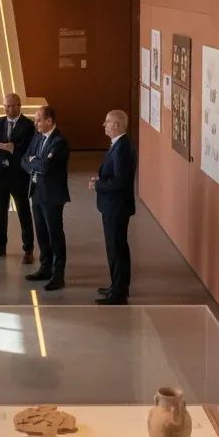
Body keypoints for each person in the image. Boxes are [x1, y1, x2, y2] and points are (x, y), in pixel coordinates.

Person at [89, 110, 137, 305]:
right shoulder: (118, 145)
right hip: (112, 206)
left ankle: (118, 292)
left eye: (108, 122)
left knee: (117, 248)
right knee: (114, 247)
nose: (104, 124)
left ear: (117, 125)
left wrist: (98, 185)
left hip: (116, 207)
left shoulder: (123, 148)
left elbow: (121, 181)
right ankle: (116, 285)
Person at [0, 92, 36, 264]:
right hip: (0, 175)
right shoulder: (0, 122)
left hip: (19, 176)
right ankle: (0, 245)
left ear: (19, 105)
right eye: (6, 106)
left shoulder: (28, 125)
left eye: (12, 106)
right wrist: (8, 149)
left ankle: (28, 249)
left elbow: (26, 150)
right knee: (0, 212)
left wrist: (10, 149)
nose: (8, 109)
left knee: (23, 212)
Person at [22, 105, 70, 291]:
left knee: (55, 235)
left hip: (52, 196)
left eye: (38, 120)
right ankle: (45, 268)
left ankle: (58, 275)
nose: (35, 124)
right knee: (41, 233)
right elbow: (24, 160)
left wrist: (34, 162)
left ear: (49, 121)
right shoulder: (37, 137)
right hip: (36, 193)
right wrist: (34, 162)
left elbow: (46, 167)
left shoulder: (59, 142)